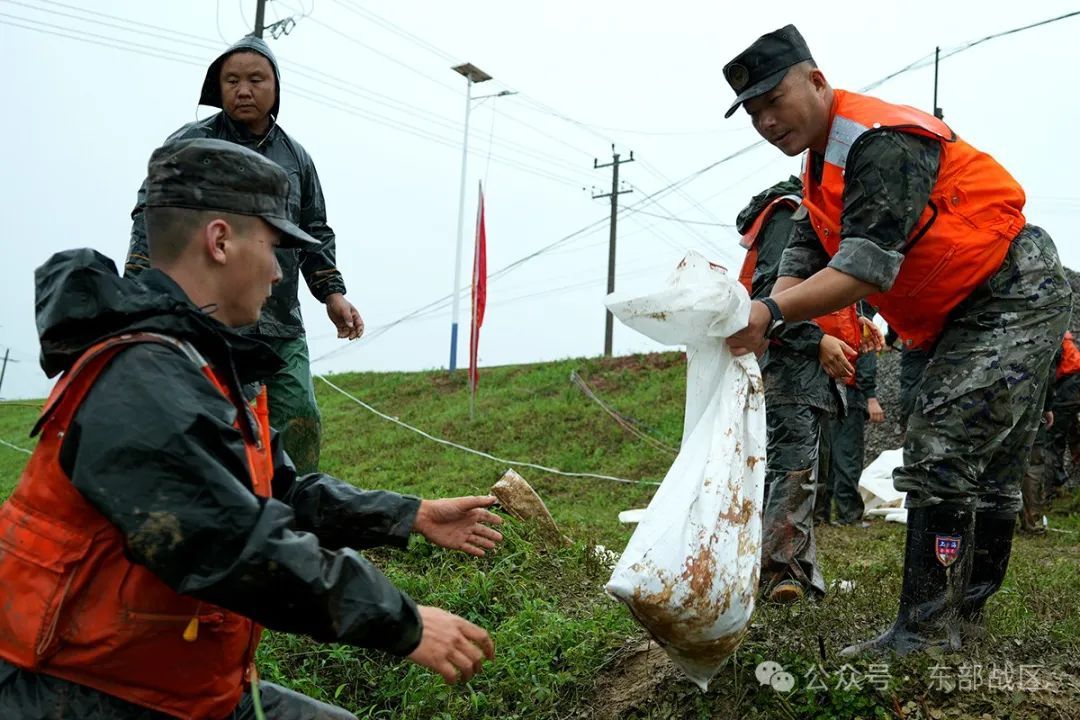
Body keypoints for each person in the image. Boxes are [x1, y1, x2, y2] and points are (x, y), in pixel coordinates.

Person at [0, 138, 503, 720]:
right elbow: (232, 542)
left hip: (172, 685)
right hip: (80, 691)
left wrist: (408, 513)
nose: (276, 272)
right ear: (220, 241)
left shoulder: (202, 364)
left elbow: (282, 491)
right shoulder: (142, 377)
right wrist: (404, 622)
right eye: (273, 248)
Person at [722, 25, 1071, 656]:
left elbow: (862, 268)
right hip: (945, 313)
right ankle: (959, 617)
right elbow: (807, 248)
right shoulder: (819, 166)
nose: (767, 121)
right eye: (754, 113)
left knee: (944, 446)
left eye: (775, 101)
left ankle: (927, 630)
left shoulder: (876, 142)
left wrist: (771, 312)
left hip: (1011, 288)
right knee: (962, 456)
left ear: (818, 80)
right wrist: (768, 305)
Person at [126, 36, 359, 475]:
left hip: (281, 315)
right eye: (231, 80)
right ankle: (249, 509)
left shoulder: (296, 158)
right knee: (235, 423)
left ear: (276, 87)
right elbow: (151, 215)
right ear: (218, 87)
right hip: (214, 315)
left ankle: (299, 512)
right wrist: (140, 286)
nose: (243, 89)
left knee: (301, 415)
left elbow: (314, 230)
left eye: (256, 79)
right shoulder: (191, 144)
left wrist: (333, 293)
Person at [736, 177, 879, 602]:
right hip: (789, 366)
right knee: (791, 472)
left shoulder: (813, 215)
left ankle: (788, 570)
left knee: (797, 473)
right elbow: (767, 296)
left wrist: (854, 322)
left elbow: (811, 291)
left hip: (803, 370)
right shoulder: (792, 212)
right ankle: (784, 576)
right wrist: (816, 340)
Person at [818, 303, 885, 527]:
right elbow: (865, 360)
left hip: (826, 390)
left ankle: (820, 514)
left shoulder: (832, 314)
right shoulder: (860, 319)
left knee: (826, 454)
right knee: (848, 455)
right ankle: (849, 515)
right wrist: (871, 396)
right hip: (850, 393)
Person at [1021, 330, 1080, 532]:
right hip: (1069, 384)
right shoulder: (1054, 329)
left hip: (1068, 384)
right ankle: (1050, 495)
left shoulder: (1044, 331)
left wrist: (1047, 406)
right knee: (1058, 440)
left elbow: (1049, 373)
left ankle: (1052, 491)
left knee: (1052, 440)